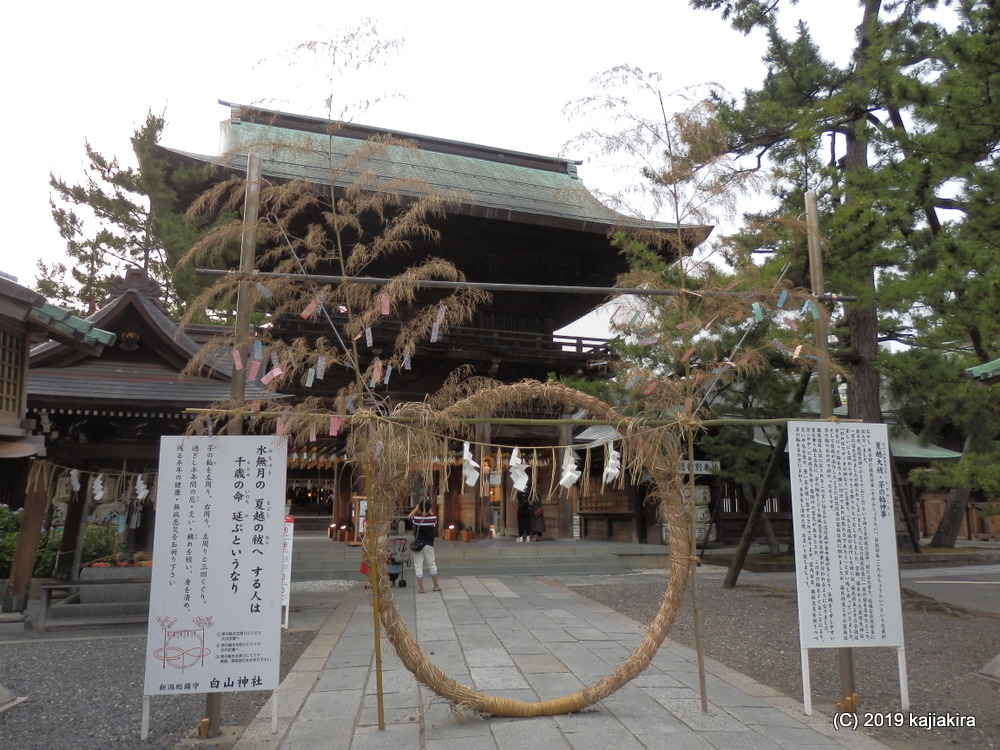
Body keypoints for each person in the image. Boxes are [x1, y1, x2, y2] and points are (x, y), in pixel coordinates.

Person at [408, 499, 440, 592]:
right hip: (429, 544)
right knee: (432, 565)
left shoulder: (417, 518)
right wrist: (429, 509)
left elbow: (409, 516)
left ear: (420, 508)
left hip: (418, 545)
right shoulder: (432, 518)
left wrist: (416, 509)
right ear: (430, 507)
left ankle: (421, 588)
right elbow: (434, 517)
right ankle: (436, 585)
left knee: (418, 565)